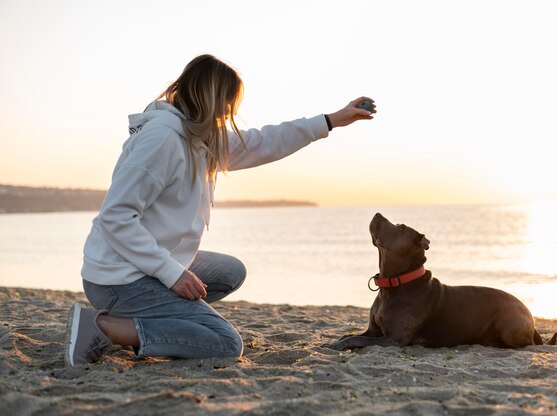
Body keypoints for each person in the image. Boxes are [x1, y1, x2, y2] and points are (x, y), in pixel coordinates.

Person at [65, 54, 376, 366]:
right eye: (228, 102)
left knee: (230, 272)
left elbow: (264, 141)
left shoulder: (199, 140)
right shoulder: (162, 139)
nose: (230, 112)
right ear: (210, 96)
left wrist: (331, 120)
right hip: (117, 279)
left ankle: (146, 322)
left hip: (141, 265)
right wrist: (172, 274)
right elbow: (115, 217)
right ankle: (105, 326)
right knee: (226, 343)